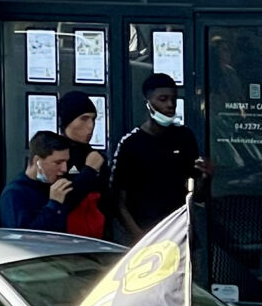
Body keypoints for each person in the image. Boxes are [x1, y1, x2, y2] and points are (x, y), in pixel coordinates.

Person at [111, 73, 205, 241]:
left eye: (173, 100)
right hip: (145, 233)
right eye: (163, 99)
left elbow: (197, 193)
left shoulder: (184, 136)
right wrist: (140, 238)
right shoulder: (130, 144)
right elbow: (118, 202)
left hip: (178, 232)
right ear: (147, 103)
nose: (170, 105)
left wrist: (205, 176)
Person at [55, 90, 109, 238]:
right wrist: (89, 171)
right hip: (64, 241)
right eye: (84, 119)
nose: (91, 126)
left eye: (93, 119)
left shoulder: (97, 157)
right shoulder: (54, 154)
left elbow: (108, 204)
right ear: (67, 121)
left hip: (96, 241)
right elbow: (62, 202)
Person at [0, 130, 74, 232]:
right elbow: (24, 235)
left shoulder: (54, 186)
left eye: (66, 162)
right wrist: (53, 204)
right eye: (58, 162)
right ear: (37, 161)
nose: (64, 168)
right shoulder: (15, 193)